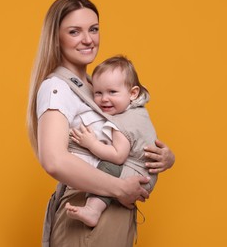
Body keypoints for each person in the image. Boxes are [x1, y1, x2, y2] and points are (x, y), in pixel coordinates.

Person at [27, 0, 175, 247]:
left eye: (93, 29)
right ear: (56, 38)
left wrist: (164, 158)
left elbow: (126, 135)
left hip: (112, 209)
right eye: (75, 31)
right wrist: (119, 188)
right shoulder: (57, 88)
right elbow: (53, 160)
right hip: (87, 207)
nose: (88, 39)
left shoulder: (97, 87)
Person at [65, 55, 159, 228]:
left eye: (112, 92)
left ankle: (93, 210)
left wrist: (91, 143)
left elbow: (118, 156)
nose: (104, 99)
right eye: (98, 93)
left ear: (133, 93)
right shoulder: (138, 110)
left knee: (108, 168)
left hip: (138, 175)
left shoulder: (122, 123)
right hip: (145, 172)